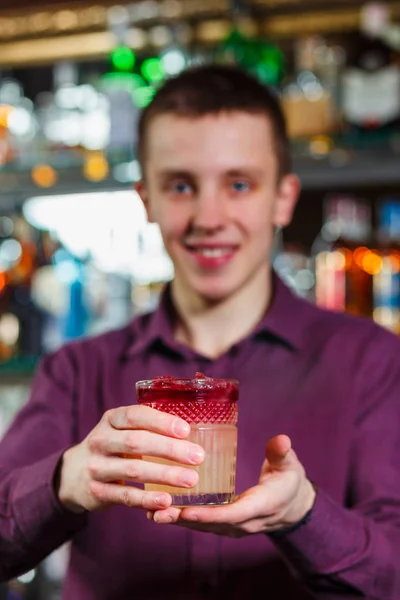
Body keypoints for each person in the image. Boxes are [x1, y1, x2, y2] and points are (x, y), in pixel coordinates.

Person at [1, 64, 399, 600]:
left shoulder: (373, 361)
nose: (209, 217)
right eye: (182, 185)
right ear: (147, 200)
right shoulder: (76, 370)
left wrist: (304, 515)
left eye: (239, 184)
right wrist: (64, 482)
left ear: (283, 197)